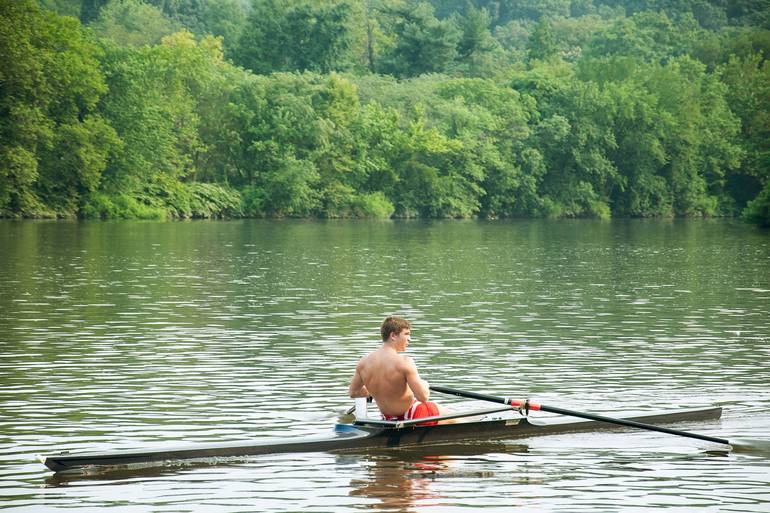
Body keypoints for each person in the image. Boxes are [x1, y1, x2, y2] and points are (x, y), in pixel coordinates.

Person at [348, 316, 450, 424]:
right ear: (393, 335)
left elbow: (353, 392)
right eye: (406, 334)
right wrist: (425, 384)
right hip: (414, 415)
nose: (409, 339)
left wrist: (373, 391)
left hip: (388, 419)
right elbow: (423, 397)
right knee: (460, 420)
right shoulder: (404, 362)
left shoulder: (363, 363)